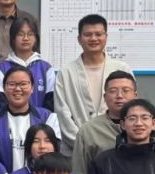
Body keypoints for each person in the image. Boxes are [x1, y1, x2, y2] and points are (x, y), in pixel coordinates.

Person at [72, 70, 155, 174]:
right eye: (113, 91)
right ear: (105, 97)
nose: (119, 95)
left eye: (126, 90)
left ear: (135, 95)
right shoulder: (88, 131)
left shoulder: (154, 127)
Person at [55, 14, 133, 155]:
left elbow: (131, 109)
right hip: (76, 152)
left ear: (106, 37)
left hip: (118, 151)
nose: (93, 38)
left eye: (98, 34)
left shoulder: (122, 69)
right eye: (88, 34)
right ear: (79, 39)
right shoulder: (66, 73)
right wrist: (84, 144)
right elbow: (62, 115)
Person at [0, 66, 60, 171]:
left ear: (32, 88)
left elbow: (53, 153)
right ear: (4, 88)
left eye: (23, 84)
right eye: (12, 84)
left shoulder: (48, 117)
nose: (17, 89)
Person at [11, 125, 84, 174]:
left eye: (47, 141)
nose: (42, 146)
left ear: (55, 145)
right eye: (36, 141)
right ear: (29, 146)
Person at [0, 17, 55, 111]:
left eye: (30, 34)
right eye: (20, 34)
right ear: (13, 38)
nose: (26, 38)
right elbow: (1, 102)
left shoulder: (46, 68)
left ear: (36, 38)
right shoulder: (2, 69)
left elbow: (50, 103)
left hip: (40, 119)